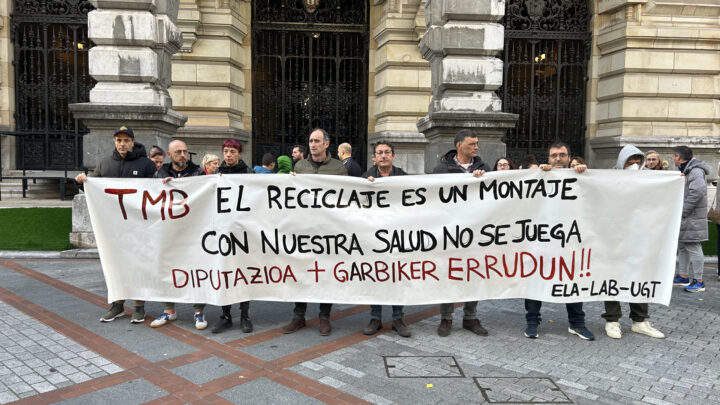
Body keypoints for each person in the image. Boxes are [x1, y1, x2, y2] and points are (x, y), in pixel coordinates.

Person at [75, 125, 157, 324]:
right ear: (114, 142)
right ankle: (117, 305)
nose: (122, 144)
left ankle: (139, 306)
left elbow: (156, 190)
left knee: (138, 265)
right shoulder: (104, 165)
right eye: (119, 140)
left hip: (138, 226)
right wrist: (83, 182)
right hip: (113, 228)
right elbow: (95, 189)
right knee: (115, 265)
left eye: (126, 140)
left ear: (132, 142)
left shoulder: (145, 164)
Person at [526, 141, 594, 340]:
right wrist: (539, 173)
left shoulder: (579, 177)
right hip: (542, 241)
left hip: (570, 241)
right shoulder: (540, 176)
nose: (557, 159)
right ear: (548, 158)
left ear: (569, 157)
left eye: (561, 155)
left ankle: (577, 323)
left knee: (572, 281)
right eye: (554, 155)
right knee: (535, 280)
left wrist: (584, 173)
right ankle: (532, 322)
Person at [282, 128, 347, 336]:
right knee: (301, 271)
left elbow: (347, 196)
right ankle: (298, 316)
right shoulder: (300, 166)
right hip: (303, 229)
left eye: (317, 141)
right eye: (310, 140)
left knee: (325, 274)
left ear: (327, 144)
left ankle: (324, 317)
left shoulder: (338, 168)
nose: (313, 144)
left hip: (327, 230)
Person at [602, 145, 665, 339]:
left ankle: (640, 320)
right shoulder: (608, 179)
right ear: (623, 161)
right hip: (614, 237)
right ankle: (612, 320)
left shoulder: (649, 179)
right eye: (631, 160)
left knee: (639, 276)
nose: (635, 164)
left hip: (639, 237)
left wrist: (677, 183)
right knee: (612, 277)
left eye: (638, 160)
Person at [433, 129, 489, 337]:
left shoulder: (484, 168)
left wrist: (482, 180)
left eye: (477, 143)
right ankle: (446, 318)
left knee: (473, 273)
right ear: (459, 146)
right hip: (449, 231)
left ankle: (470, 317)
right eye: (472, 143)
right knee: (449, 274)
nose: (476, 147)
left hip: (476, 231)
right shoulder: (441, 170)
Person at [149, 140, 208, 330]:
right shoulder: (160, 174)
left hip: (193, 233)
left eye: (185, 151)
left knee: (196, 270)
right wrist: (161, 185)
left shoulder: (198, 173)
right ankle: (169, 310)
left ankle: (198, 312)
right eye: (178, 152)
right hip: (169, 233)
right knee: (168, 269)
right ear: (169, 154)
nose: (183, 155)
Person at [361, 141, 411, 338]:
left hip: (397, 236)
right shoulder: (365, 177)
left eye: (387, 152)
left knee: (397, 276)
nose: (383, 155)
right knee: (376, 276)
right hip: (374, 236)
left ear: (393, 156)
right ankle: (376, 317)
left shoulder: (403, 177)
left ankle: (398, 318)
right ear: (374, 157)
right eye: (379, 153)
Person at [214, 139, 254, 333]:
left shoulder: (248, 173)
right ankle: (226, 315)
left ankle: (245, 316)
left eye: (232, 152)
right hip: (222, 232)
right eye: (226, 152)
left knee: (243, 274)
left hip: (243, 232)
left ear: (239, 154)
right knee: (225, 273)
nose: (228, 155)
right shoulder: (216, 175)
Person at [672, 146, 710, 293]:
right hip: (687, 216)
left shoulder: (695, 171)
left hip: (691, 217)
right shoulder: (687, 170)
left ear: (679, 157)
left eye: (674, 156)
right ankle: (683, 276)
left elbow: (698, 192)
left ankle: (699, 281)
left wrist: (683, 211)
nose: (673, 159)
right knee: (682, 246)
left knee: (694, 247)